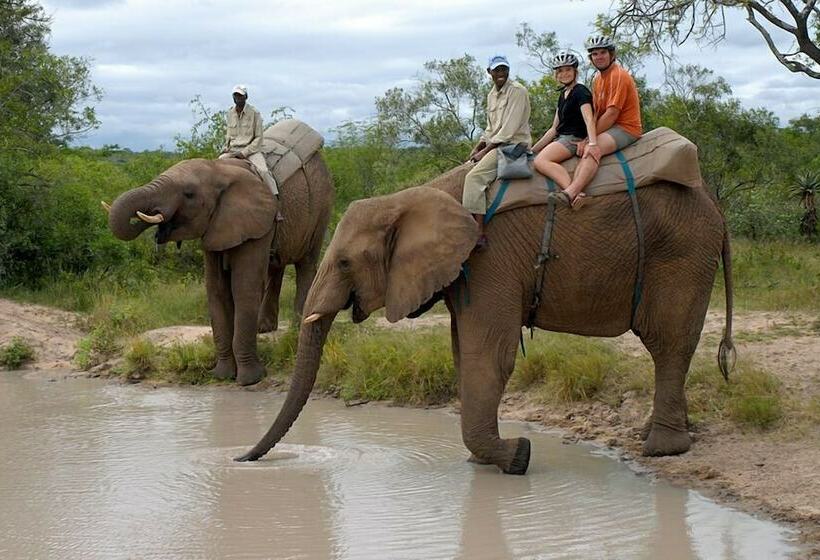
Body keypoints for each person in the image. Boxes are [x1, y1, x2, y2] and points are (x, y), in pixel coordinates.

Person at [551, 35, 642, 208]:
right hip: (610, 127)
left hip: (625, 128)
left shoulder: (619, 76)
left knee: (593, 149)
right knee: (585, 148)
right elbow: (596, 113)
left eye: (602, 53)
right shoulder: (598, 80)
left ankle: (571, 192)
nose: (598, 57)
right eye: (594, 54)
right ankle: (576, 192)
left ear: (611, 54)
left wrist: (588, 140)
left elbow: (611, 114)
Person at [464, 55, 532, 249]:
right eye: (497, 70)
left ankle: (479, 233)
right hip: (496, 142)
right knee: (467, 166)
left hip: (512, 145)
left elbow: (508, 130)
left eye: (504, 69)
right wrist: (478, 145)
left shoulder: (518, 91)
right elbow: (490, 127)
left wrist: (486, 151)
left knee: (474, 178)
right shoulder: (492, 94)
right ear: (489, 72)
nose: (501, 73)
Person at [531, 52, 596, 208]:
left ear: (575, 71)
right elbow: (554, 129)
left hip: (572, 139)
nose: (564, 73)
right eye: (560, 70)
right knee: (536, 155)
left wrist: (592, 143)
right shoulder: (563, 95)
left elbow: (589, 118)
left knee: (541, 161)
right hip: (561, 138)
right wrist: (532, 149)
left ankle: (574, 193)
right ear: (556, 74)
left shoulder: (580, 91)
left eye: (568, 69)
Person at [219, 84, 278, 196]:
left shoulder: (255, 113)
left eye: (240, 96)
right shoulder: (230, 113)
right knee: (215, 166)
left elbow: (259, 138)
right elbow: (228, 134)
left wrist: (244, 153)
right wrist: (225, 148)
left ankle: (275, 198)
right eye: (236, 95)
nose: (238, 98)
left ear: (246, 97)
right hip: (232, 150)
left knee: (263, 171)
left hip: (250, 150)